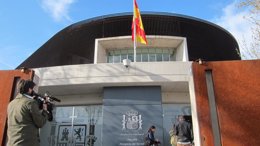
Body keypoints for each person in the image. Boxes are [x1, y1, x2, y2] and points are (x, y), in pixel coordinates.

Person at [7, 79, 49, 146]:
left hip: (11, 143)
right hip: (26, 143)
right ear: (29, 89)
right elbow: (40, 123)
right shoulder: (30, 103)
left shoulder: (11, 103)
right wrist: (45, 111)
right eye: (33, 89)